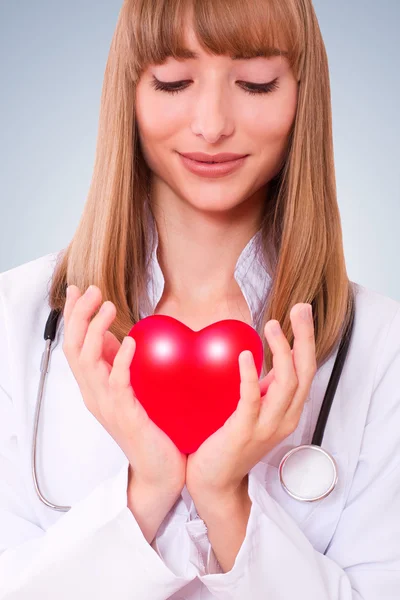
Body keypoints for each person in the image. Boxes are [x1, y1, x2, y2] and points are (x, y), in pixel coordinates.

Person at [0, 0, 399, 598]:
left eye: (256, 83)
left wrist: (225, 499)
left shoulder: (380, 345)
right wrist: (146, 493)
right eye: (173, 81)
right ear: (130, 93)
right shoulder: (16, 319)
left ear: (301, 97)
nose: (211, 124)